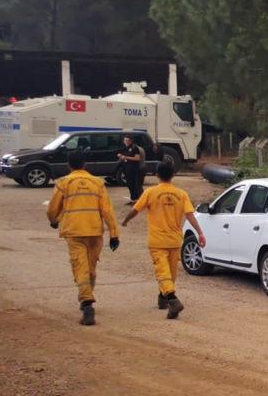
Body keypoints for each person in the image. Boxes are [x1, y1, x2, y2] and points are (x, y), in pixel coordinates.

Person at [121, 161, 205, 318]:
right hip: (175, 241)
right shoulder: (181, 194)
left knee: (162, 272)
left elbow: (135, 209)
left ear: (156, 175)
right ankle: (162, 298)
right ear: (173, 175)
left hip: (157, 241)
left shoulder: (150, 192)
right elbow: (190, 215)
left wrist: (125, 221)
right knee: (170, 273)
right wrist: (200, 233)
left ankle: (172, 299)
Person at [46, 149, 119, 325]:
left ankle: (87, 303)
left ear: (68, 164)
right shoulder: (97, 183)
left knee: (80, 267)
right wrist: (114, 234)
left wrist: (54, 221)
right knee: (90, 268)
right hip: (94, 232)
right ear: (85, 164)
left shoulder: (63, 182)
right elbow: (107, 211)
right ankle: (87, 295)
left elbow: (52, 209)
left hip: (74, 232)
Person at [117, 134, 145, 203]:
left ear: (131, 141)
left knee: (135, 185)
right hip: (126, 169)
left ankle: (138, 200)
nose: (126, 142)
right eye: (125, 140)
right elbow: (123, 156)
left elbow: (137, 158)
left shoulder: (134, 148)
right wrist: (120, 156)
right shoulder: (125, 148)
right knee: (129, 184)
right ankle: (133, 199)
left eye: (128, 140)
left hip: (133, 169)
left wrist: (125, 157)